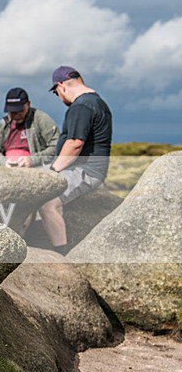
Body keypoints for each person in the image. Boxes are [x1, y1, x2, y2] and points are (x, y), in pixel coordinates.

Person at [39, 66, 112, 255]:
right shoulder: (96, 102)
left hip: (85, 170)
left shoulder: (81, 106)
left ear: (61, 86)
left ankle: (61, 254)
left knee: (46, 202)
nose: (59, 97)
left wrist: (53, 171)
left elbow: (75, 144)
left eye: (56, 93)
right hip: (83, 168)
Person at [0, 87, 59, 167]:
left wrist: (32, 160)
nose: (17, 115)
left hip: (37, 166)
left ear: (28, 104)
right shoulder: (4, 123)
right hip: (7, 165)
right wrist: (4, 161)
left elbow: (56, 147)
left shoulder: (42, 119)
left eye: (20, 111)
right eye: (13, 112)